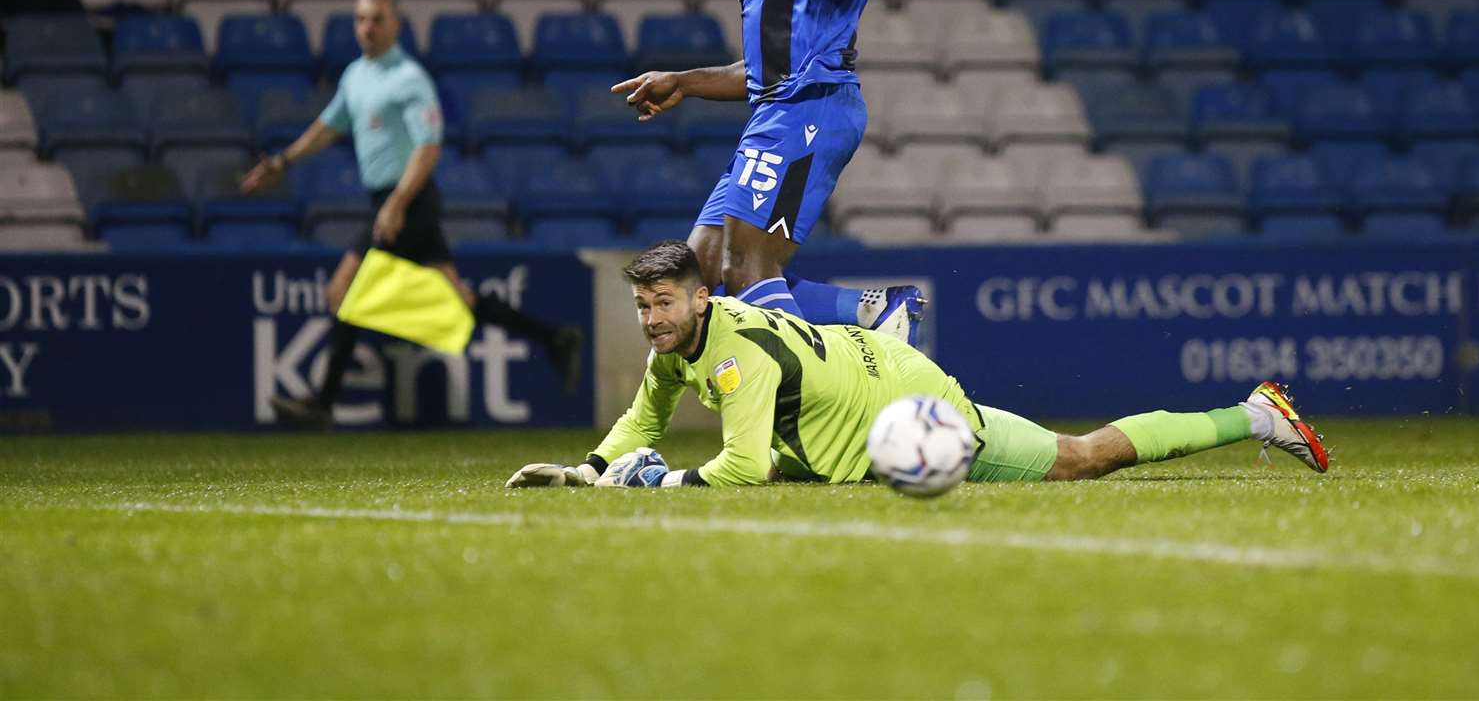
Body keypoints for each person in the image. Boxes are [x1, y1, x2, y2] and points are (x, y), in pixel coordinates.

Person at [505, 241, 1329, 489]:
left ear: (699, 300)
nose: (651, 320)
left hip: (911, 401)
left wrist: (654, 485)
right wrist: (589, 469)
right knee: (812, 452)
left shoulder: (734, 356)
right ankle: (887, 319)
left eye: (663, 305)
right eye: (642, 308)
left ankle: (1258, 414)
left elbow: (743, 466)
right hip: (857, 389)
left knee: (1080, 458)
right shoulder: (679, 346)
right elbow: (645, 419)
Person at [610, 0, 937, 343]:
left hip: (813, 107)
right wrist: (684, 81)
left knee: (745, 268)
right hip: (774, 112)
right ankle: (869, 310)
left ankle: (800, 405)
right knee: (703, 278)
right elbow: (762, 71)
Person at [240, 0, 581, 429]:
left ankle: (322, 402)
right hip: (389, 202)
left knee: (344, 291)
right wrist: (282, 161)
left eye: (377, 19)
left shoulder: (409, 78)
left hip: (408, 201)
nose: (367, 27)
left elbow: (429, 145)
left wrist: (398, 203)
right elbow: (328, 126)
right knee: (458, 300)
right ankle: (555, 337)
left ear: (395, 25)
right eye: (361, 19)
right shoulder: (355, 76)